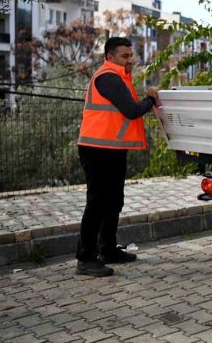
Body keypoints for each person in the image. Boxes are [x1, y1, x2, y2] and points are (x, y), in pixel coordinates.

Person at [75, 37, 159, 277]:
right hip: (97, 150)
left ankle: (108, 250)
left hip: (110, 149)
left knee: (113, 202)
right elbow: (132, 111)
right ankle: (85, 259)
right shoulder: (108, 77)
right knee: (96, 205)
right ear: (110, 57)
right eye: (125, 56)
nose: (130, 60)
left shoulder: (119, 77)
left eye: (131, 55)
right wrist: (151, 99)